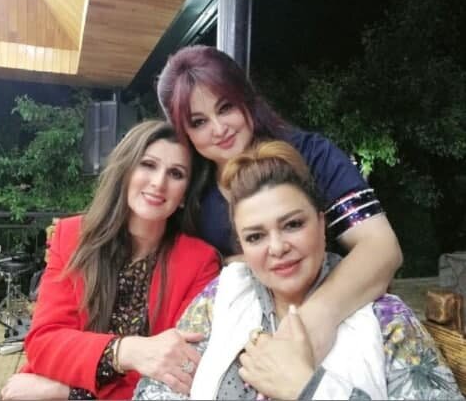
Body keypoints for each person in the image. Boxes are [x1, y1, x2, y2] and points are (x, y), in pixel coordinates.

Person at [134, 140, 463, 400]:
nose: (277, 247)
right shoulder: (222, 297)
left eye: (292, 225)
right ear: (242, 246)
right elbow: (158, 390)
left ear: (321, 224)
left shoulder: (385, 319)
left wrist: (310, 388)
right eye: (256, 236)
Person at [156, 44, 403, 360]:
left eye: (226, 107)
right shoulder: (191, 192)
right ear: (184, 133)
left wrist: (314, 320)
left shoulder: (313, 157)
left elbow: (381, 247)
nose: (219, 129)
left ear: (246, 97)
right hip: (238, 346)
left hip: (341, 331)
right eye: (198, 122)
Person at [0, 120, 220, 400]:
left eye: (176, 173)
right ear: (125, 172)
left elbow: (180, 375)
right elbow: (44, 342)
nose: (158, 183)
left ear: (185, 194)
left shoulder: (200, 262)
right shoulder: (72, 237)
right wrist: (127, 351)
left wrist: (69, 393)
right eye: (148, 165)